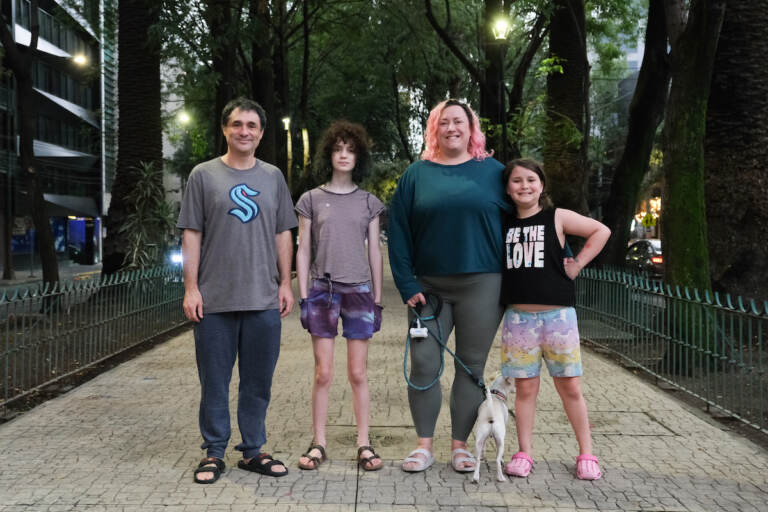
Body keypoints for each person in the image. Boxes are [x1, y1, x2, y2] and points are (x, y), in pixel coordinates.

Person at [177, 97, 297, 484]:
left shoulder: (273, 177)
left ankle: (253, 450)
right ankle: (213, 452)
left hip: (262, 297)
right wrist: (191, 288)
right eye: (236, 124)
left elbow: (283, 233)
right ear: (225, 129)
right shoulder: (203, 175)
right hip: (214, 300)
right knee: (214, 379)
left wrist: (285, 282)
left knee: (257, 381)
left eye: (251, 125)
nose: (244, 131)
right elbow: (191, 234)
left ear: (261, 134)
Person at [388, 99, 508, 473]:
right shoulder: (415, 175)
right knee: (424, 364)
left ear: (472, 128)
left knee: (471, 367)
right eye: (444, 122)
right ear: (434, 129)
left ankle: (460, 446)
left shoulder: (495, 173)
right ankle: (424, 446)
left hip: (483, 285)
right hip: (428, 290)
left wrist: (559, 257)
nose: (452, 128)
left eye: (460, 121)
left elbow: (528, 214)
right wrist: (406, 282)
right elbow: (398, 232)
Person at [499, 158, 610, 480]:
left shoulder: (556, 217)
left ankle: (587, 453)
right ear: (508, 188)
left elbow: (601, 231)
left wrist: (577, 264)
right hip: (518, 320)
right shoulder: (504, 222)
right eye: (517, 181)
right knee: (525, 389)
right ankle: (524, 453)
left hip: (558, 317)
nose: (524, 186)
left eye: (531, 180)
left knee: (570, 387)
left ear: (542, 185)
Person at [295, 121, 385, 472]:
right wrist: (303, 296)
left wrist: (377, 299)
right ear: (329, 154)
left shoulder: (369, 202)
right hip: (322, 291)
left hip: (360, 293)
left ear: (358, 156)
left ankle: (364, 443)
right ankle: (318, 441)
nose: (344, 155)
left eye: (351, 149)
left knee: (358, 372)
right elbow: (303, 250)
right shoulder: (311, 200)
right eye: (338, 149)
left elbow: (375, 253)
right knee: (323, 372)